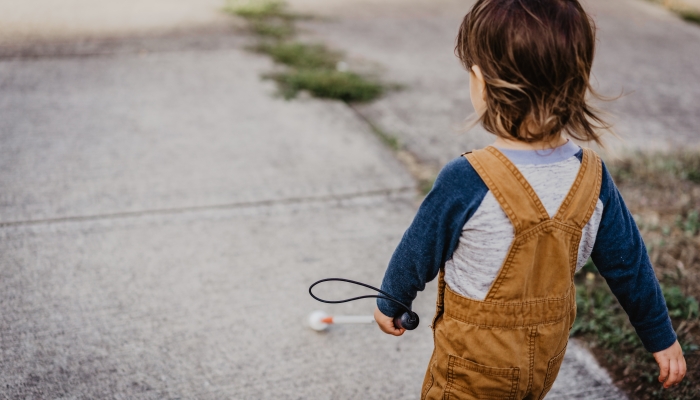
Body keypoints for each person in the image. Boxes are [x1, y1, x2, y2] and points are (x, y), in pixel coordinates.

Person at [372, 0, 687, 398]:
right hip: (544, 362)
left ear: (480, 83)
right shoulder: (593, 178)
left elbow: (417, 250)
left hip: (472, 367)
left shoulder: (466, 179)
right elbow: (629, 265)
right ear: (577, 82)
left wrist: (390, 300)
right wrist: (661, 337)